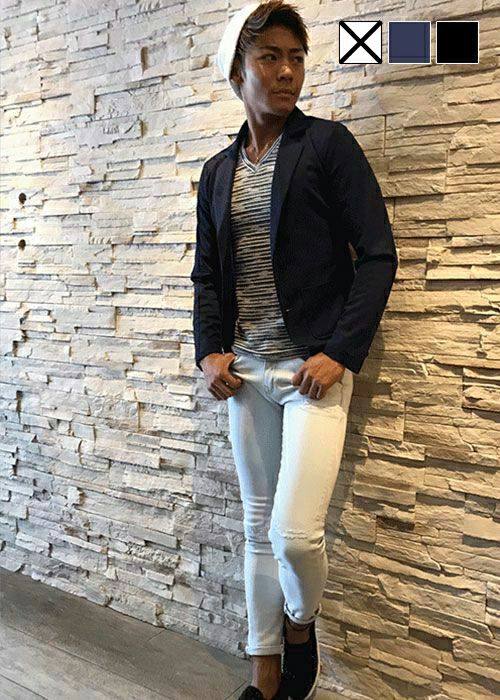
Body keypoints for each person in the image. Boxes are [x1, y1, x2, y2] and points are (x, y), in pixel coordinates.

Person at [190, 2, 399, 699]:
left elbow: (378, 255)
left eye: (297, 58)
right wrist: (209, 352)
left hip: (313, 372)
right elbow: (207, 276)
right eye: (270, 57)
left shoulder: (327, 146)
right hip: (247, 374)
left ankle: (300, 625)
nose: (287, 72)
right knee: (255, 529)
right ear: (237, 72)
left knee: (293, 535)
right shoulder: (217, 172)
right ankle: (264, 671)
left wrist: (340, 352)